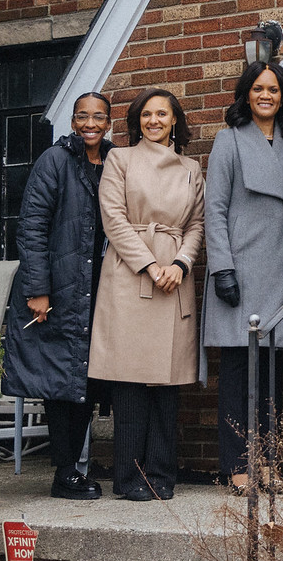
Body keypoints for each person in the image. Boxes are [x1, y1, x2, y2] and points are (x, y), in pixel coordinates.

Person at [88, 89, 205, 501]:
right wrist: (150, 265)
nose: (153, 120)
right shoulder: (119, 159)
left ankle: (160, 475)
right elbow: (113, 219)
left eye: (162, 114)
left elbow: (196, 224)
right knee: (130, 385)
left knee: (166, 385)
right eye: (146, 114)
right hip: (129, 275)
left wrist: (179, 265)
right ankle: (128, 478)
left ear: (175, 120)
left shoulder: (192, 167)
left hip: (175, 279)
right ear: (137, 120)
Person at [3, 91, 115, 500]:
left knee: (85, 378)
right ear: (72, 121)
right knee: (57, 380)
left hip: (98, 289)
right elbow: (31, 227)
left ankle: (71, 471)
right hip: (57, 289)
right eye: (82, 116)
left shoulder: (114, 161)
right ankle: (64, 472)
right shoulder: (54, 160)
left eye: (98, 117)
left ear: (108, 122)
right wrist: (38, 290)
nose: (90, 124)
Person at [203, 61, 283, 489]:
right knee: (238, 375)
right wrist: (222, 268)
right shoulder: (228, 141)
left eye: (274, 89)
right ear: (246, 94)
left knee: (271, 377)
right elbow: (215, 209)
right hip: (241, 270)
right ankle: (238, 466)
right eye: (258, 88)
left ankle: (266, 463)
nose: (266, 95)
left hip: (279, 271)